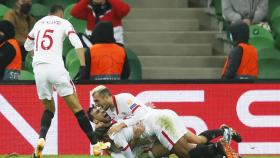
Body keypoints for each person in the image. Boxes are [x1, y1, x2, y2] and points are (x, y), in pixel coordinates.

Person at [24, 5, 98, 158]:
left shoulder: (39, 23)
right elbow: (77, 43)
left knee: (49, 109)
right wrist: (83, 66)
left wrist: (36, 57)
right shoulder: (64, 23)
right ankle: (96, 145)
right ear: (61, 14)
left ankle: (41, 140)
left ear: (49, 13)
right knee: (77, 108)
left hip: (39, 70)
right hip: (56, 68)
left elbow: (27, 45)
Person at [90, 85, 241, 158]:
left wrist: (124, 124)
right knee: (195, 141)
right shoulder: (111, 116)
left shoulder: (123, 99)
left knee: (186, 153)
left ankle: (218, 146)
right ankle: (224, 136)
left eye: (97, 102)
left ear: (106, 95)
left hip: (158, 123)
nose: (97, 106)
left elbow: (139, 114)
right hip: (158, 121)